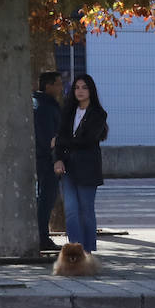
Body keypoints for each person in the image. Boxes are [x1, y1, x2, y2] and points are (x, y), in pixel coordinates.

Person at [53, 73, 108, 255]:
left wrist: (61, 141)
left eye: (84, 87)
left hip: (87, 168)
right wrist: (58, 158)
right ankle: (75, 250)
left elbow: (87, 140)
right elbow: (60, 139)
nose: (80, 91)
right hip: (68, 167)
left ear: (91, 90)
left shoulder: (98, 114)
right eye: (77, 87)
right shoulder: (67, 112)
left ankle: (88, 251)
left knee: (86, 210)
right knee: (70, 210)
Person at [32, 70, 62, 251]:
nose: (61, 88)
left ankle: (42, 235)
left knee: (46, 197)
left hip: (44, 158)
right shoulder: (44, 107)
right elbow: (47, 138)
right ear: (48, 86)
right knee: (46, 198)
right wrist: (55, 157)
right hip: (46, 160)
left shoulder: (42, 103)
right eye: (58, 84)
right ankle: (42, 237)